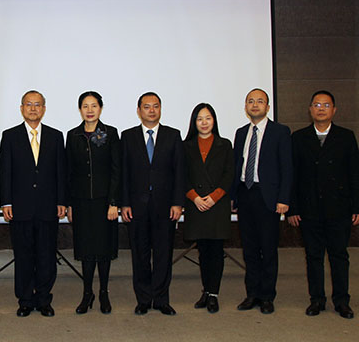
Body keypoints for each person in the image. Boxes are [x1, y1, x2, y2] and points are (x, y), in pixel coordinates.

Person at [288, 90, 359, 319]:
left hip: (339, 208)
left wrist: (356, 207)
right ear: (310, 110)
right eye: (317, 105)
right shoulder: (299, 138)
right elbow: (292, 176)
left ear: (334, 110)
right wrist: (293, 208)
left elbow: (354, 174)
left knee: (339, 256)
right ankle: (316, 299)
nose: (321, 109)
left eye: (326, 105)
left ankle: (342, 301)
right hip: (308, 209)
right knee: (313, 256)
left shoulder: (346, 137)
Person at [0, 90, 67, 317]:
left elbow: (61, 172)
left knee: (47, 256)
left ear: (44, 109)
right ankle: (25, 300)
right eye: (29, 104)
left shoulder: (56, 136)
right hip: (20, 207)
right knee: (24, 256)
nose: (33, 108)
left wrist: (61, 200)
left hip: (48, 206)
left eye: (38, 105)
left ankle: (44, 299)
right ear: (21, 108)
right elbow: (5, 171)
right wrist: (5, 202)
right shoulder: (10, 136)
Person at [121, 92, 186, 316]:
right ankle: (143, 299)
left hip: (165, 206)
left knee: (163, 254)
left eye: (155, 106)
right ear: (139, 111)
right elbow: (124, 173)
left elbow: (179, 172)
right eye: (147, 106)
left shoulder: (173, 135)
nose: (151, 110)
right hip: (136, 206)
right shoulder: (128, 136)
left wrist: (178, 203)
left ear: (160, 109)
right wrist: (124, 203)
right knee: (139, 254)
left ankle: (161, 299)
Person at [231, 88, 292, 314]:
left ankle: (267, 296)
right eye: (250, 101)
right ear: (245, 107)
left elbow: (287, 167)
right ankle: (252, 294)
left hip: (269, 198)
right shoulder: (241, 133)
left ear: (267, 107)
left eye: (259, 101)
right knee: (249, 249)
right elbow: (237, 166)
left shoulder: (280, 132)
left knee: (268, 249)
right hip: (246, 194)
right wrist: (233, 196)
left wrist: (284, 198)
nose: (254, 105)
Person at [66, 91, 120, 314]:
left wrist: (114, 202)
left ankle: (104, 293)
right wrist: (69, 204)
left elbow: (116, 170)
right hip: (81, 203)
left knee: (103, 250)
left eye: (94, 105)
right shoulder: (73, 135)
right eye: (85, 106)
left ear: (101, 108)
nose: (90, 110)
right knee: (86, 250)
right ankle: (87, 293)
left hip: (104, 203)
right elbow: (69, 172)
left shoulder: (111, 133)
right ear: (80, 109)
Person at [182, 103, 234, 314]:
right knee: (203, 251)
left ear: (214, 121)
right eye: (199, 119)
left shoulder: (225, 145)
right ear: (194, 122)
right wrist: (195, 197)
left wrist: (214, 197)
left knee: (216, 251)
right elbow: (181, 176)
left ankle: (214, 294)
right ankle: (206, 291)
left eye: (208, 118)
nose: (204, 123)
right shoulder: (186, 146)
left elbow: (229, 174)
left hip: (217, 205)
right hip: (196, 205)